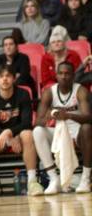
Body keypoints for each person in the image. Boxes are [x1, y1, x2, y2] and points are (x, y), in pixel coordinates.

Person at [0, 64, 43, 199]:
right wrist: (5, 134)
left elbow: (26, 122)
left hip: (19, 136)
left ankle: (32, 182)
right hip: (1, 139)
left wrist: (10, 132)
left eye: (8, 76)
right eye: (1, 77)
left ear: (14, 79)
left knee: (28, 134)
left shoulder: (23, 94)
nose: (5, 79)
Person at [33, 61, 92, 194]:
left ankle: (86, 178)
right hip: (58, 132)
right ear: (56, 75)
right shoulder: (49, 92)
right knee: (37, 131)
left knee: (87, 128)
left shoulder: (81, 90)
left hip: (77, 131)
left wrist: (68, 115)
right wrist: (50, 116)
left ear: (72, 75)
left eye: (67, 73)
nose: (64, 76)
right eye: (60, 73)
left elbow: (88, 117)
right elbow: (37, 121)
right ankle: (54, 179)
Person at [41, 25, 82, 91]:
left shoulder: (73, 55)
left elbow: (78, 75)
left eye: (59, 41)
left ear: (64, 43)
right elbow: (46, 80)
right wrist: (58, 87)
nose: (56, 44)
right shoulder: (45, 58)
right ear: (50, 46)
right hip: (53, 89)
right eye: (53, 42)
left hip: (73, 86)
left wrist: (67, 85)